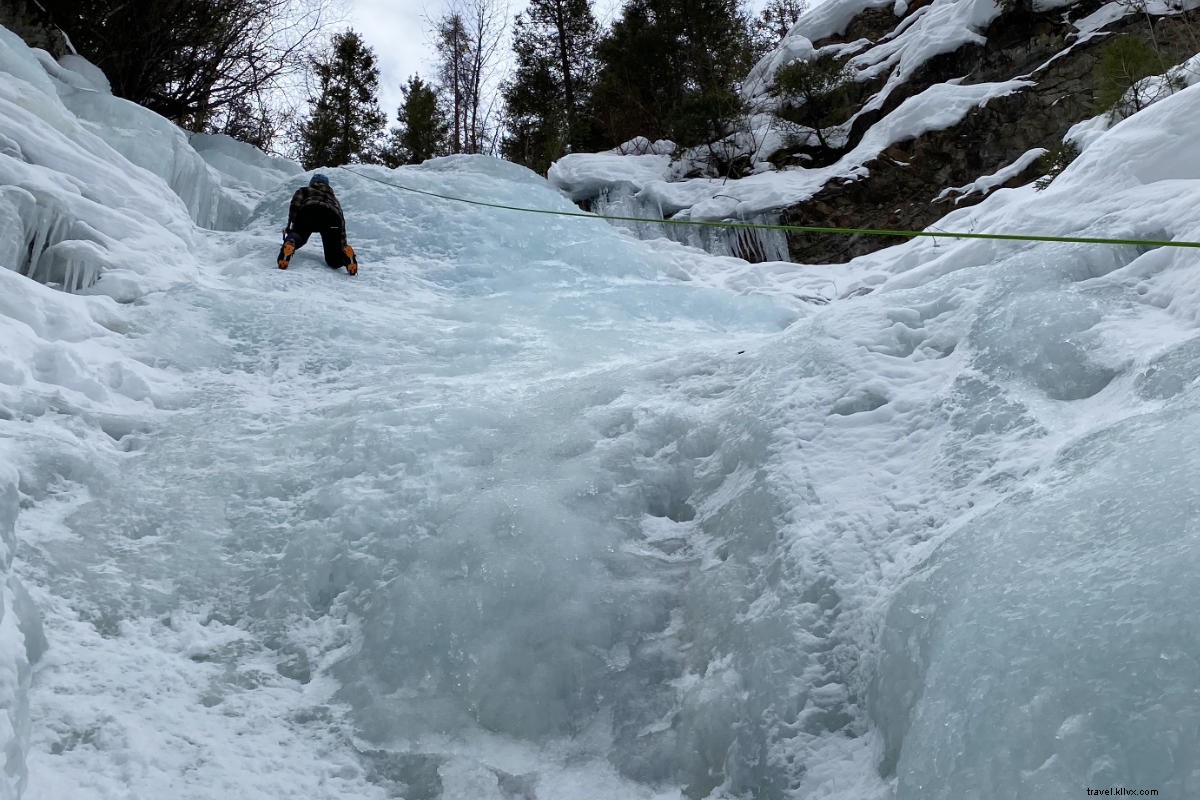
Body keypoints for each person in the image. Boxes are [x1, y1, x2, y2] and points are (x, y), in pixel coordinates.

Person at [277, 173, 359, 275]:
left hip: (309, 212)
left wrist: (291, 227)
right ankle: (346, 256)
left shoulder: (305, 190)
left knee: (299, 235)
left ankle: (291, 243)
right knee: (333, 260)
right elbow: (341, 221)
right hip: (331, 218)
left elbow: (295, 205)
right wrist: (343, 245)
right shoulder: (333, 198)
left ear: (312, 183)